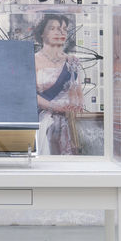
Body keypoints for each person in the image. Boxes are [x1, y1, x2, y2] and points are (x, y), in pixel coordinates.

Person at [33, 12, 84, 155]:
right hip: (44, 122)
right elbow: (30, 95)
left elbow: (78, 94)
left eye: (63, 29)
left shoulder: (72, 61)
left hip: (69, 122)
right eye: (53, 28)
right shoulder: (32, 60)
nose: (60, 32)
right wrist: (55, 107)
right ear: (42, 33)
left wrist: (76, 109)